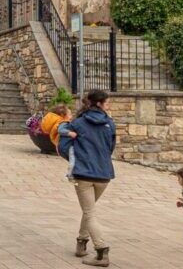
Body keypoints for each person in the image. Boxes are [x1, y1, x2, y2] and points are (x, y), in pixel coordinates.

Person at [60, 89, 117, 266]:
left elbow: (63, 144)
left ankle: (101, 251)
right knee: (89, 210)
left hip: (84, 173)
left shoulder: (77, 123)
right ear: (98, 104)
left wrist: (74, 158)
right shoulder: (109, 123)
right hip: (104, 174)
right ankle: (81, 242)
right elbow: (111, 147)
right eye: (107, 102)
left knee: (89, 212)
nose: (109, 105)